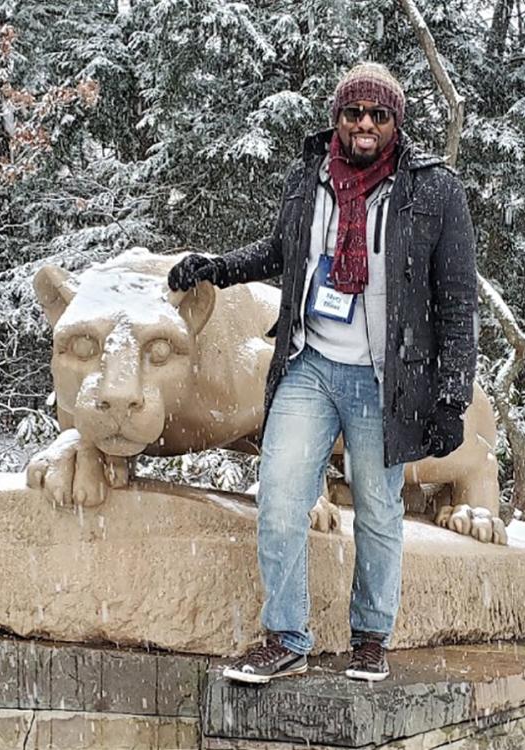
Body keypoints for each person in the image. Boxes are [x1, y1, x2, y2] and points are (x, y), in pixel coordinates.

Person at [168, 62, 478, 683]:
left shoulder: (434, 191)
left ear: (397, 122)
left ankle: (371, 638)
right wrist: (215, 268)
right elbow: (282, 251)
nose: (364, 125)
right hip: (309, 363)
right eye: (352, 112)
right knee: (280, 501)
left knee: (379, 510)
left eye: (378, 115)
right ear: (337, 118)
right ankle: (286, 635)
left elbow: (457, 299)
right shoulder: (309, 177)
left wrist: (451, 397)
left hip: (384, 380)